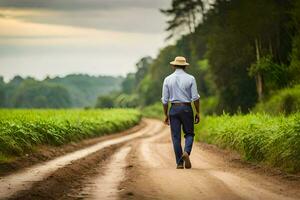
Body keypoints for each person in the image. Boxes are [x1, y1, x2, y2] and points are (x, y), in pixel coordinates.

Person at [161, 56, 200, 169]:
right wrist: (197, 112)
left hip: (173, 109)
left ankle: (179, 163)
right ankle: (186, 152)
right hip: (187, 108)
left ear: (173, 66)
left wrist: (165, 114)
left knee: (176, 137)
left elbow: (164, 100)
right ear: (185, 66)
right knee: (189, 134)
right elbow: (195, 98)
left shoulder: (167, 79)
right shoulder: (191, 78)